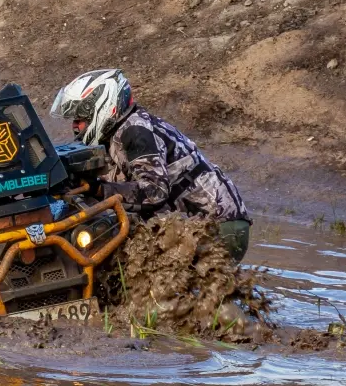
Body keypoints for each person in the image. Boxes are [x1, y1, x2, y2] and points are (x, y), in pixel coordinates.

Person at [51, 68, 251, 261]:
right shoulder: (118, 135)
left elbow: (154, 192)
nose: (75, 126)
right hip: (195, 226)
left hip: (221, 228)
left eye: (80, 119)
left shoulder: (137, 132)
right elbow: (120, 183)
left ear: (103, 107)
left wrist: (98, 189)